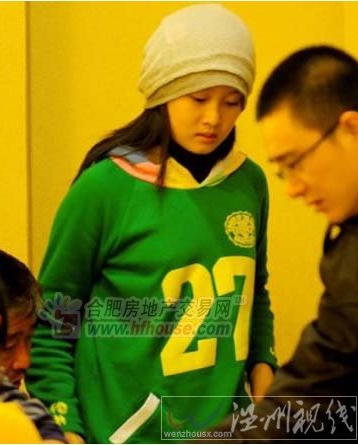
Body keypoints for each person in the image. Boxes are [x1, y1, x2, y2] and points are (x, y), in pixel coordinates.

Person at [26, 4, 277, 443]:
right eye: (198, 98)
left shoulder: (248, 183)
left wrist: (263, 367)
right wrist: (67, 427)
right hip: (119, 433)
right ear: (163, 92)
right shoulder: (104, 188)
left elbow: (253, 292)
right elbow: (56, 318)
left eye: (231, 101)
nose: (214, 118)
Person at [209, 46, 358, 441]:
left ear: (352, 129)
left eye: (296, 163)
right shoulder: (349, 255)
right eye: (282, 172)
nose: (292, 188)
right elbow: (312, 394)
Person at [0, 239, 67, 443]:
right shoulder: (5, 424)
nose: (24, 361)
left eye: (29, 340)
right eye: (7, 343)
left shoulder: (10, 400)